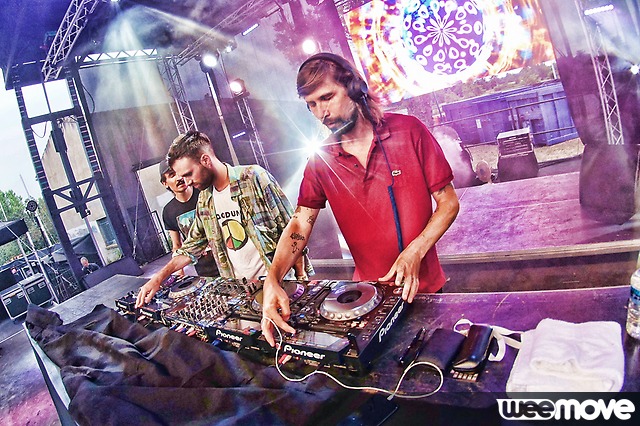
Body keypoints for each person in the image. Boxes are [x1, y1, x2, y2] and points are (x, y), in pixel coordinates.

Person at [260, 53, 460, 346]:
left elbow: (448, 202)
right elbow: (300, 223)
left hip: (426, 290)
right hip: (366, 298)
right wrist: (273, 279)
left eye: (327, 97)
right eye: (311, 104)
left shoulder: (409, 130)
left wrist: (415, 252)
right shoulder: (320, 161)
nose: (321, 112)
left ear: (355, 88)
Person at [136, 131, 311, 308]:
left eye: (189, 174)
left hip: (280, 286)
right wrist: (158, 278)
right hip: (242, 293)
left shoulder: (253, 177)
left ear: (205, 160)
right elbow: (190, 248)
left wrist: (301, 278)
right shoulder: (205, 199)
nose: (187, 182)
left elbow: (292, 229)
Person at [159, 159, 219, 277]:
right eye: (172, 175)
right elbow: (177, 245)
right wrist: (179, 271)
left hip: (225, 258)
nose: (179, 178)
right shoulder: (168, 211)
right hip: (203, 267)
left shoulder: (205, 194)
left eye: (179, 172)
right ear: (165, 183)